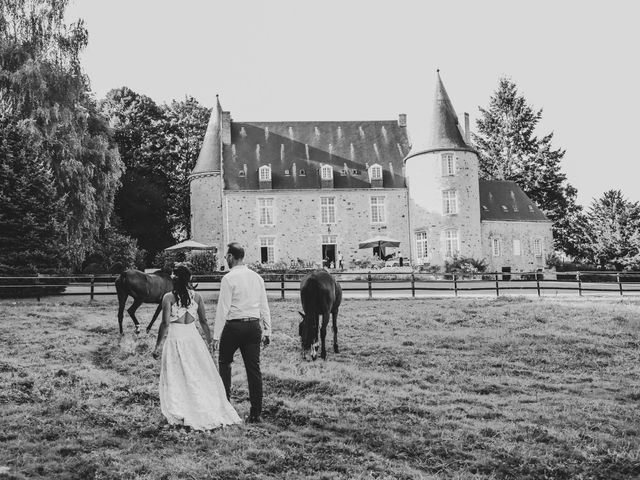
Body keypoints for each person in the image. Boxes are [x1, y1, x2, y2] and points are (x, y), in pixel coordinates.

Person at [152, 265, 241, 430]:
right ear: (189, 279)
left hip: (176, 338)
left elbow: (165, 323)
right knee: (197, 372)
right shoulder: (197, 297)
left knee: (175, 374)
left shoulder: (168, 298)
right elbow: (204, 322)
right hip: (194, 339)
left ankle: (180, 407)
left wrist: (157, 345)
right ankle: (200, 402)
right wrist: (209, 341)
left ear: (175, 279)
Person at [213, 243, 272, 423]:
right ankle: (256, 413)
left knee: (224, 363)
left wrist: (216, 336)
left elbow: (223, 308)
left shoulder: (228, 278)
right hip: (253, 326)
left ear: (231, 257)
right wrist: (268, 330)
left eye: (226, 257)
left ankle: (226, 408)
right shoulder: (257, 278)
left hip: (234, 326)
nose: (226, 260)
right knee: (254, 369)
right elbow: (264, 305)